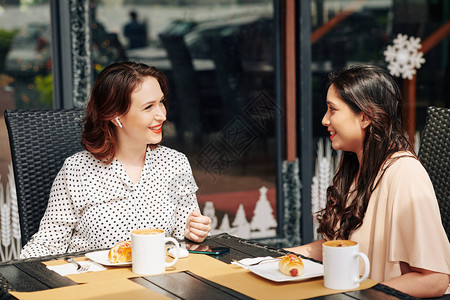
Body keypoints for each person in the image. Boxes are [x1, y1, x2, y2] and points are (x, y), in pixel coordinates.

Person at [286, 65, 450, 297]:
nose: (324, 120)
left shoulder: (404, 174)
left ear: (364, 116)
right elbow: (338, 248)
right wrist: (275, 257)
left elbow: (435, 279)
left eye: (332, 109)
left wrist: (364, 295)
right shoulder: (356, 167)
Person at [20, 61, 211, 258]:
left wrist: (194, 233)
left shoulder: (176, 164)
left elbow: (184, 239)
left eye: (161, 102)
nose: (162, 115)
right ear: (115, 115)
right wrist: (17, 279)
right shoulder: (76, 170)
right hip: (93, 283)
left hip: (159, 282)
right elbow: (47, 245)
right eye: (148, 107)